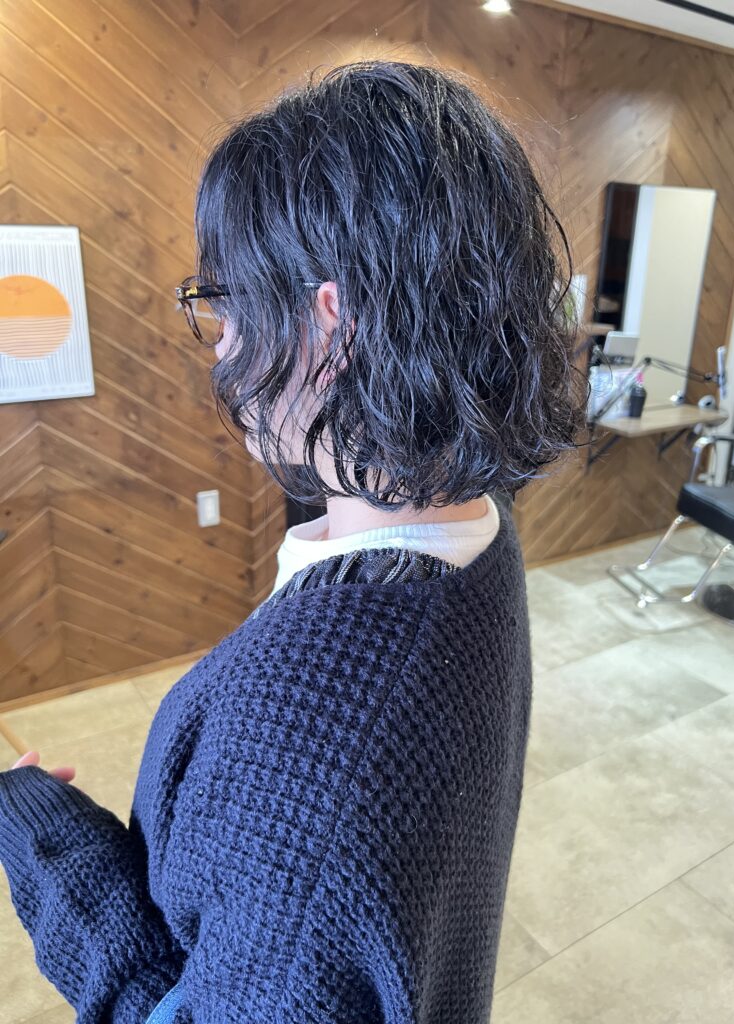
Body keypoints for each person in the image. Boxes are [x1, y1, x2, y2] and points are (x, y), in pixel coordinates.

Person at [0, 59, 585, 1023]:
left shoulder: (303, 744)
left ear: (332, 324)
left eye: (228, 304)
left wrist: (49, 851)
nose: (224, 344)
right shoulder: (477, 529)